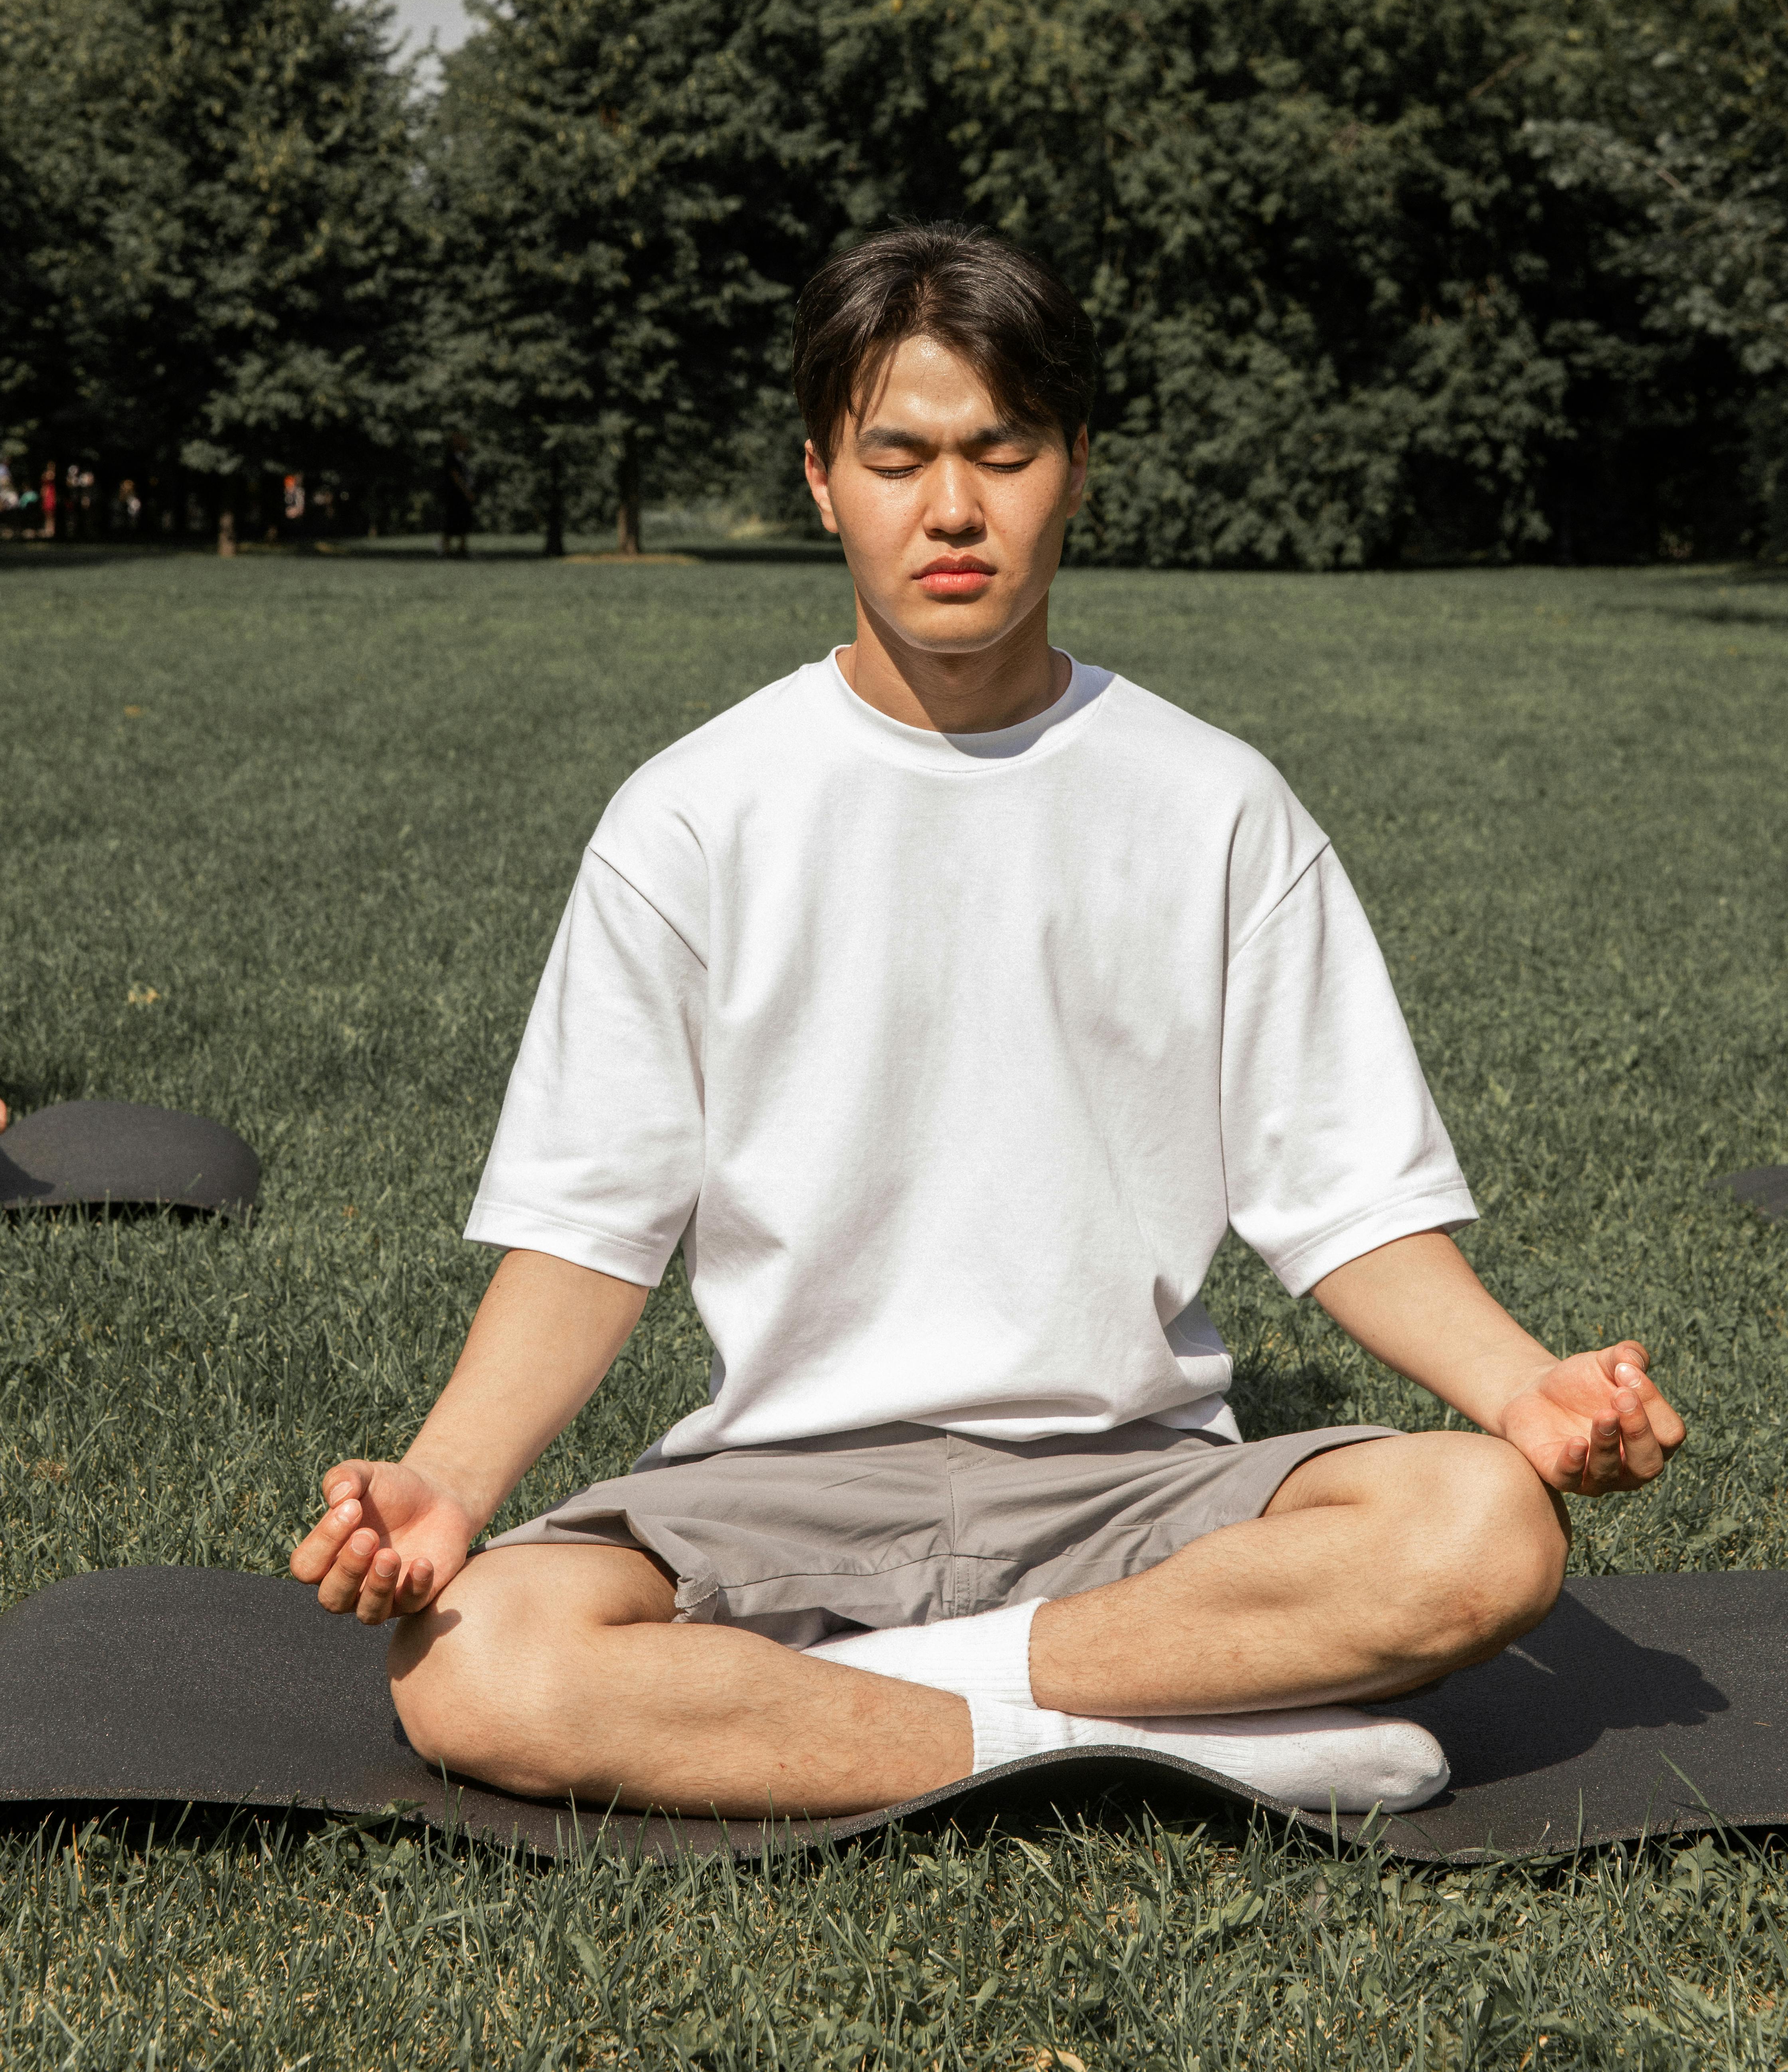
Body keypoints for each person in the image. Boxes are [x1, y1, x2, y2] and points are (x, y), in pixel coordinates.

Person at [292, 225, 1683, 1821]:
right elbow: (590, 1228)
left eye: (1000, 453)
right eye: (897, 457)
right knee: (478, 1662)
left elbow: (1342, 1197)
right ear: (821, 477)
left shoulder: (1215, 804)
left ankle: (846, 1716)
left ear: (1076, 467)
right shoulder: (690, 816)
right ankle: (1188, 1742)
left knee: (1486, 1530)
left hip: (1136, 1493)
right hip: (778, 1492)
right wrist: (447, 1488)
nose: (950, 508)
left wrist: (1523, 1395)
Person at [439, 435, 475, 557]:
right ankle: (446, 548)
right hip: (455, 495)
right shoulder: (451, 459)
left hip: (461, 495)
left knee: (464, 520)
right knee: (452, 520)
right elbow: (456, 478)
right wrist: (466, 492)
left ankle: (462, 548)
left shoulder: (462, 458)